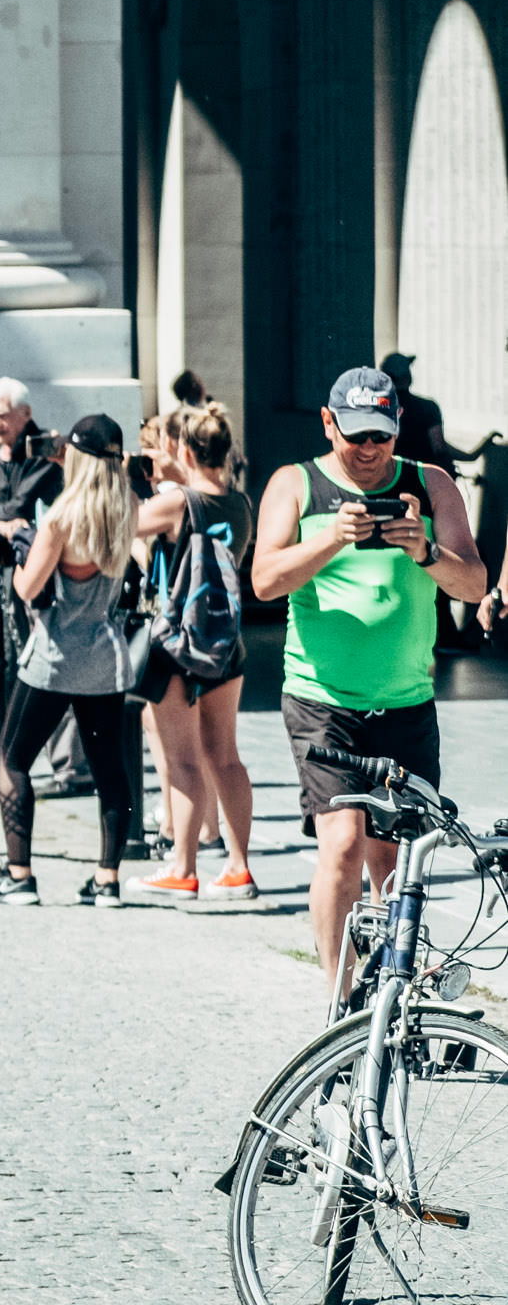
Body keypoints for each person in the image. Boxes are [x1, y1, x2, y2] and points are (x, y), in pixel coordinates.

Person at [255, 367, 489, 988]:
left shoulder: (430, 484)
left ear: (397, 429)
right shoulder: (297, 484)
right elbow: (264, 580)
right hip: (322, 700)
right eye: (354, 434)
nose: (367, 450)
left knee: (395, 859)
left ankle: (393, 982)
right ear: (329, 424)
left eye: (379, 436)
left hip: (407, 701)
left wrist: (426, 550)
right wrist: (332, 537)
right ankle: (339, 998)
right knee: (340, 848)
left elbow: (475, 583)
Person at [0, 414, 145, 906]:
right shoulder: (127, 507)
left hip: (54, 655)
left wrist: (21, 545)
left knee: (12, 757)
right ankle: (106, 880)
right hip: (105, 656)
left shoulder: (63, 517)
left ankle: (19, 873)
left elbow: (27, 588)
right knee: (110, 770)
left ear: (78, 458)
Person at [132, 401, 257, 905]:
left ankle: (183, 868)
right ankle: (239, 867)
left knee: (181, 760)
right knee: (225, 756)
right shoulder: (240, 503)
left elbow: (117, 529)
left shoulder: (177, 503)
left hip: (178, 643)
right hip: (226, 642)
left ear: (183, 448)